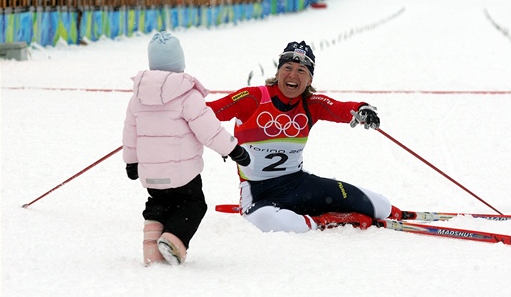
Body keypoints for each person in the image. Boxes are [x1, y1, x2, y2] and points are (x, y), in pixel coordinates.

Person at [205, 41, 402, 234]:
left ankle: (384, 213)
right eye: (288, 67)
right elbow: (205, 114)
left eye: (301, 71)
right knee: (274, 221)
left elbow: (339, 108)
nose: (293, 75)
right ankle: (324, 221)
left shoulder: (310, 104)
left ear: (309, 80)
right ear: (278, 72)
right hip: (259, 194)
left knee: (381, 207)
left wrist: (360, 109)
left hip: (299, 184)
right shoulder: (253, 97)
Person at [122, 32, 251, 266]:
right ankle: (174, 241)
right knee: (193, 204)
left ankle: (151, 248)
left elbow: (129, 134)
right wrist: (234, 150)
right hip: (183, 174)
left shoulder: (138, 97)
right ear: (179, 62)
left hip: (151, 175)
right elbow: (209, 130)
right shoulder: (187, 95)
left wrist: (131, 162)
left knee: (158, 204)